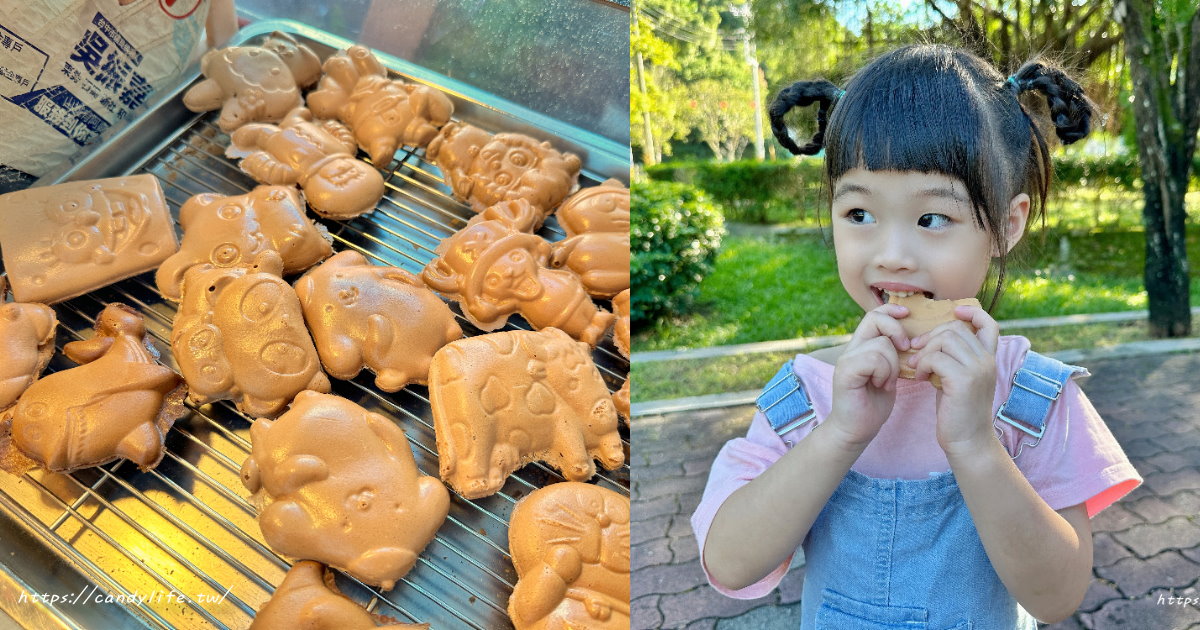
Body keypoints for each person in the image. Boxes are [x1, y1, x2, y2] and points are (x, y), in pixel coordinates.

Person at [690, 44, 1142, 629]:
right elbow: (729, 565)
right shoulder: (804, 398)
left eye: (933, 219)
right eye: (859, 214)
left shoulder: (1034, 398)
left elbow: (1058, 598)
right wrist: (842, 432)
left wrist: (976, 445)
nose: (893, 255)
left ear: (1007, 224)